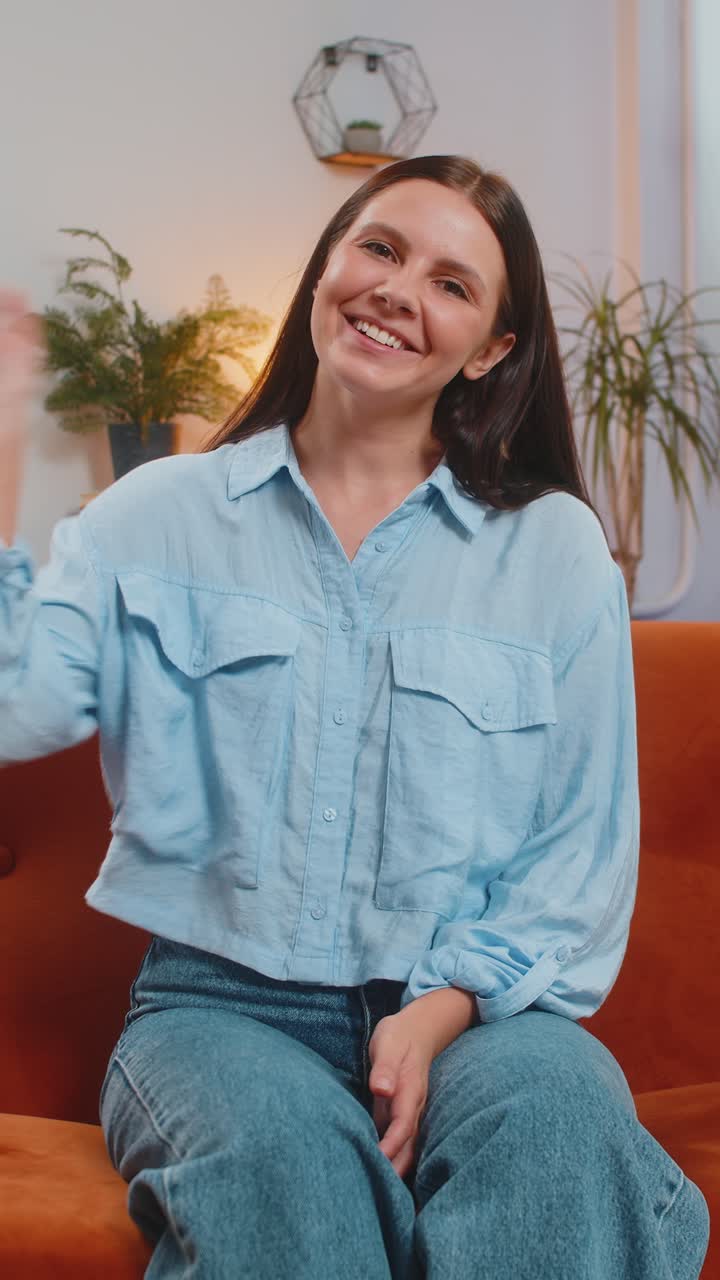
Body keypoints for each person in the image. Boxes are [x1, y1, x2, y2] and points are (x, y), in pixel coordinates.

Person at [0, 155, 710, 1280]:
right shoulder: (158, 513)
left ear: (491, 349)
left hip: (477, 1016)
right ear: (327, 267)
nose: (397, 288)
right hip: (218, 1012)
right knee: (289, 1179)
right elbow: (15, 702)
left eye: (452, 282)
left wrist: (437, 1012)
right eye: (379, 248)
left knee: (564, 1124)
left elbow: (576, 856)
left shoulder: (557, 549)